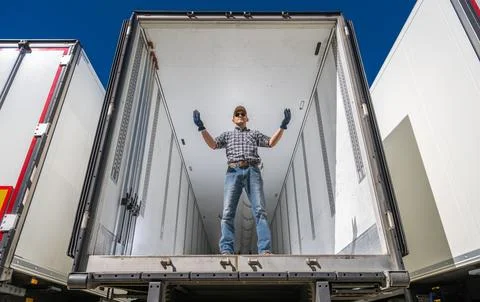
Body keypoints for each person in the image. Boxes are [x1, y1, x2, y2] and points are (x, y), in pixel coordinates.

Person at [192, 106, 291, 255]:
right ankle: (226, 249)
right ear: (233, 119)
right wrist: (201, 127)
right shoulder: (227, 135)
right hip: (233, 172)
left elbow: (270, 142)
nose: (240, 115)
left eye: (242, 114)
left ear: (246, 118)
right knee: (227, 212)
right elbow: (213, 144)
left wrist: (283, 126)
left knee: (259, 211)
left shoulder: (254, 134)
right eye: (237, 114)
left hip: (252, 171)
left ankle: (264, 250)